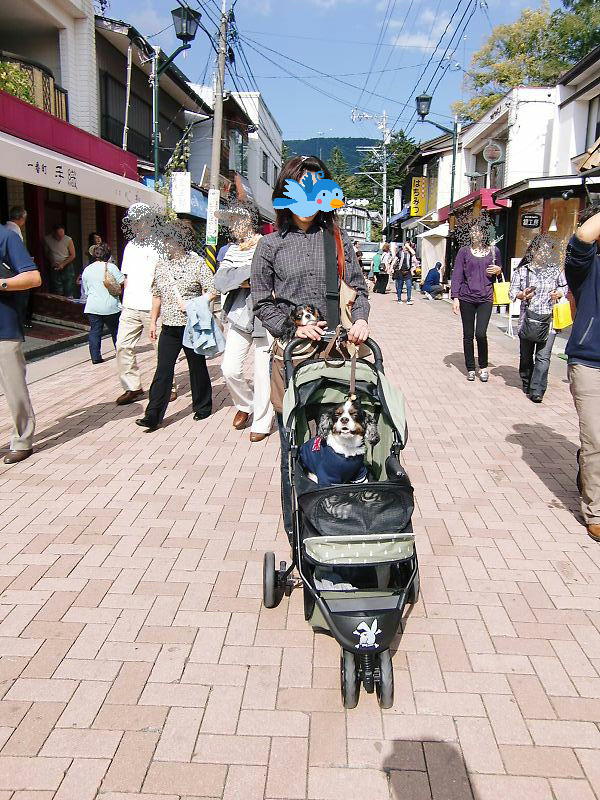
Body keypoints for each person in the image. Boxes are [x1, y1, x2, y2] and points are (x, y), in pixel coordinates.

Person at [251, 154, 369, 537]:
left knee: (340, 441)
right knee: (295, 447)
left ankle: (345, 521)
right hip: (293, 360)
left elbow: (359, 289)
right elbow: (262, 303)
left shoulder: (337, 240)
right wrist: (292, 328)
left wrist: (361, 320)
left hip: (337, 357)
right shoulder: (269, 245)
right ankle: (300, 531)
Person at [136, 220, 215, 432]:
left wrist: (193, 303)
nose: (165, 242)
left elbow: (212, 290)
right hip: (169, 327)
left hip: (191, 326)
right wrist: (153, 321)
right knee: (163, 370)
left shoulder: (197, 263)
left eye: (169, 238)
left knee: (197, 367)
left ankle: (203, 406)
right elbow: (157, 295)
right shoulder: (162, 265)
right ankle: (153, 415)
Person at [215, 204, 274, 443]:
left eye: (236, 220)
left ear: (250, 221)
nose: (233, 225)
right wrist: (248, 275)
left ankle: (262, 421)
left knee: (262, 373)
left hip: (265, 315)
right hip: (239, 315)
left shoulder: (267, 244)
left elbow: (267, 276)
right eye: (230, 220)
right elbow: (220, 281)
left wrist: (239, 276)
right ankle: (245, 404)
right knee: (229, 369)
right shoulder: (231, 250)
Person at [564, 205, 600, 542]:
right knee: (597, 440)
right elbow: (583, 238)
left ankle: (587, 462)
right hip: (591, 363)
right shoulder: (587, 266)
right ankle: (596, 511)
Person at [0, 226, 42, 464]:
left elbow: (33, 278)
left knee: (14, 388)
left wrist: (2, 284)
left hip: (4, 328)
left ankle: (22, 440)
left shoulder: (5, 237)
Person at [114, 204, 164, 406]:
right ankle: (132, 386)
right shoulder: (130, 246)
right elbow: (126, 277)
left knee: (161, 349)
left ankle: (167, 386)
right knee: (122, 346)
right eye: (133, 222)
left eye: (139, 221)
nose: (136, 225)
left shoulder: (160, 245)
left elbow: (165, 277)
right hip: (130, 305)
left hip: (154, 305)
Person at [509, 235, 566, 403]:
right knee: (526, 356)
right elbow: (512, 293)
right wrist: (523, 294)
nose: (545, 254)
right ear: (533, 250)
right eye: (542, 250)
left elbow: (564, 287)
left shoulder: (555, 270)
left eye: (548, 251)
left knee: (543, 357)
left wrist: (559, 293)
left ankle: (537, 390)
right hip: (528, 320)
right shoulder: (522, 271)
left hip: (549, 320)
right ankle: (527, 381)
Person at [451, 220, 502, 382]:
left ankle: (484, 366)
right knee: (468, 334)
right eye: (472, 231)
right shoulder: (464, 251)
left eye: (478, 231)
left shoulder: (494, 251)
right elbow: (457, 274)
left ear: (484, 233)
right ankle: (471, 368)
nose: (474, 234)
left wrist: (498, 270)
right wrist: (455, 297)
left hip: (486, 297)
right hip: (466, 297)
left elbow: (499, 271)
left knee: (480, 333)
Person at [81, 243, 124, 365]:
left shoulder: (87, 269)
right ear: (108, 255)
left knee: (95, 331)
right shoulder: (111, 267)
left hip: (92, 306)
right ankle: (120, 353)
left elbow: (86, 290)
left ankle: (95, 357)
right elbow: (122, 282)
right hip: (110, 305)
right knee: (116, 330)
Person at [44, 224, 76, 297]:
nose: (61, 237)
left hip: (67, 264)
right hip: (55, 265)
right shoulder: (47, 239)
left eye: (62, 235)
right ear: (53, 233)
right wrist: (52, 261)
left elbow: (73, 255)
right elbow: (47, 252)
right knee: (57, 288)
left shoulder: (68, 239)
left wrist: (63, 264)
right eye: (58, 235)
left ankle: (69, 301)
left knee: (68, 288)